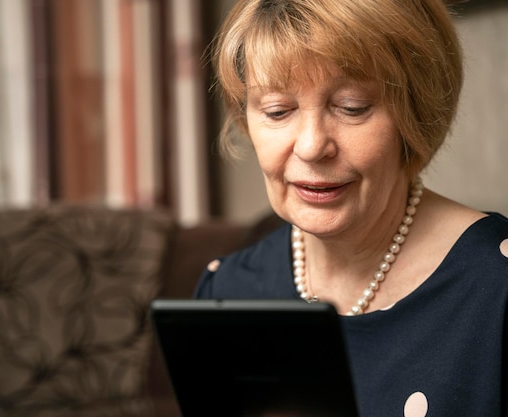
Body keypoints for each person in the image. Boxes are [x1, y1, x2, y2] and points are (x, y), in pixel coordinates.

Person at [194, 0, 508, 416]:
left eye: (351, 107)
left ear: (414, 115)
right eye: (277, 110)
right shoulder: (227, 293)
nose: (310, 146)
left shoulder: (497, 288)